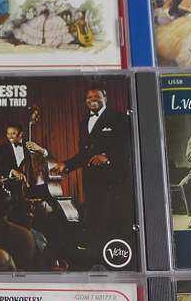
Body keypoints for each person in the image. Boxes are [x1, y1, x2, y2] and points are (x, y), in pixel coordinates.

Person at [50, 88, 133, 242]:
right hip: (91, 182)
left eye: (97, 96)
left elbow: (129, 147)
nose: (92, 99)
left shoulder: (119, 117)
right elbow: (84, 154)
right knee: (94, 223)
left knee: (113, 224)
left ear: (105, 98)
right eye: (89, 97)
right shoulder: (84, 123)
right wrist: (65, 165)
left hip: (114, 181)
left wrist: (107, 157)